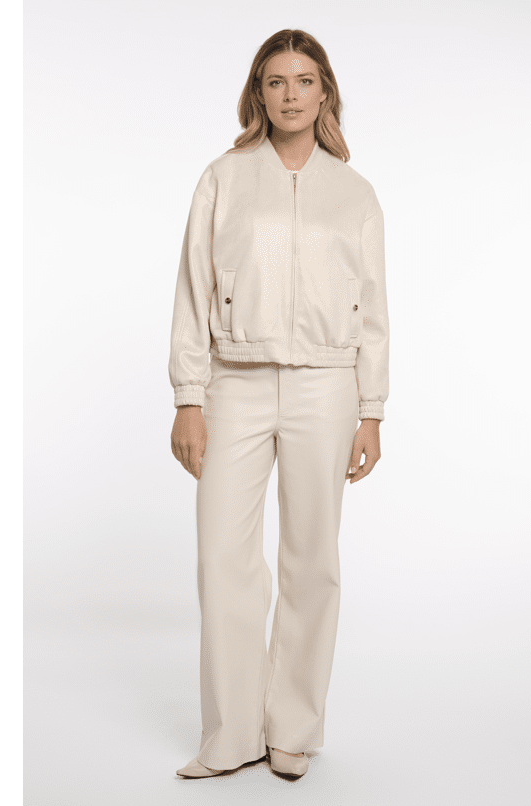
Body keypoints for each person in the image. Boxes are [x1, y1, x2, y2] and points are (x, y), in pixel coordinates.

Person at [169, 29, 390, 780]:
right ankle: (231, 735)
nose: (290, 95)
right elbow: (193, 290)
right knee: (222, 558)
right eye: (275, 81)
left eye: (303, 80)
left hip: (327, 385)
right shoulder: (224, 178)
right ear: (257, 94)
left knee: (312, 559)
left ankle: (293, 727)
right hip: (234, 381)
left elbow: (374, 309)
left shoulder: (354, 194)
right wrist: (188, 397)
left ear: (324, 92)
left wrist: (371, 409)